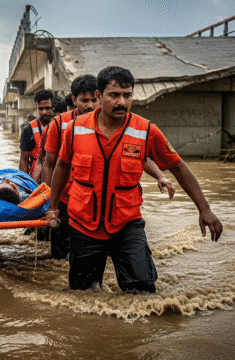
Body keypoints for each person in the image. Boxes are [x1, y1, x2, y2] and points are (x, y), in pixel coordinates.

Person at [44, 66, 222, 293]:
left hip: (126, 225)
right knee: (83, 293)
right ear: (100, 96)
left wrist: (204, 208)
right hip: (83, 224)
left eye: (127, 95)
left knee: (142, 292)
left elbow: (178, 167)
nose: (121, 102)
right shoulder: (75, 129)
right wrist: (53, 207)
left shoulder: (146, 130)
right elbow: (61, 165)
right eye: (114, 95)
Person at [42, 74, 175, 260]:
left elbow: (136, 155)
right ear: (74, 100)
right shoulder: (61, 125)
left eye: (92, 100)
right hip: (67, 200)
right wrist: (50, 203)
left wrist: (160, 176)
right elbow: (51, 164)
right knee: (61, 255)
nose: (89, 105)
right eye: (83, 100)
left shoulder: (118, 124)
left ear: (98, 98)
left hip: (106, 203)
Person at [19, 89, 54, 176]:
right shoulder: (29, 129)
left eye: (48, 108)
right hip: (37, 179)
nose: (44, 112)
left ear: (53, 106)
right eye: (40, 109)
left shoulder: (61, 124)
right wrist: (26, 183)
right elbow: (24, 159)